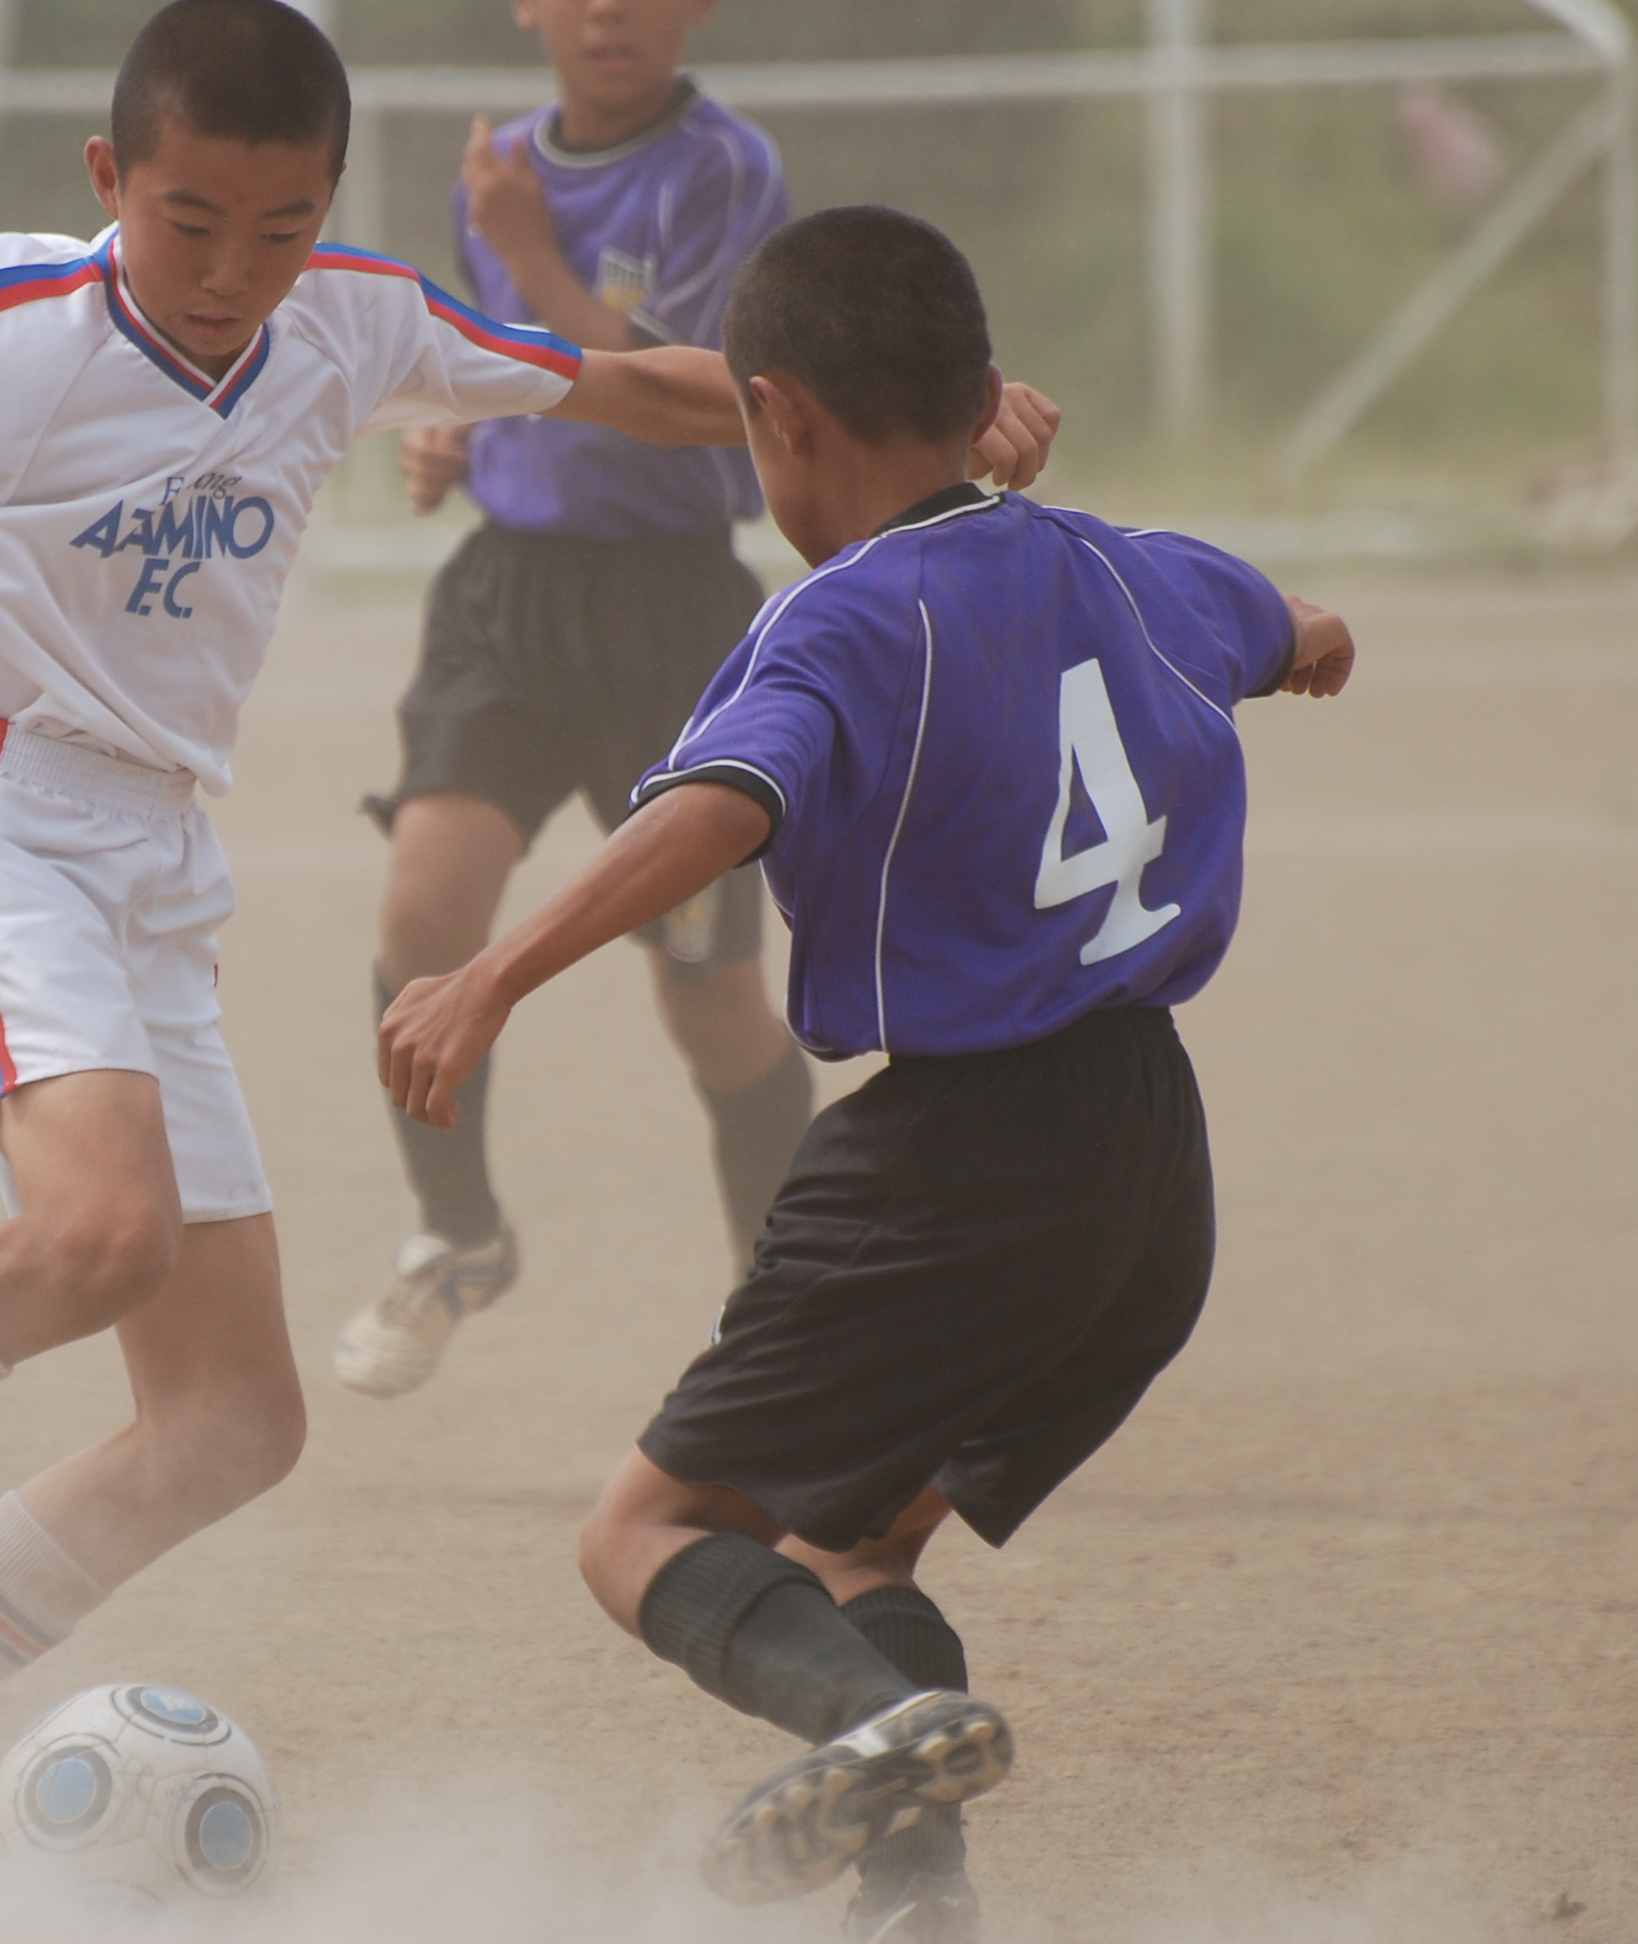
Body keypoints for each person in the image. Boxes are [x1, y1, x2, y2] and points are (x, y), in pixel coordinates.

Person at [0, 0, 1060, 1899]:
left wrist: (925, 428)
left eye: (282, 224)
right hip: (5, 819)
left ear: (329, 201)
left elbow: (630, 386)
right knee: (99, 1235)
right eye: (190, 221)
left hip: (162, 869)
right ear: (111, 179)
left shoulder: (351, 318)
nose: (234, 270)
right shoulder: (13, 340)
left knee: (233, 1423)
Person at [378, 205, 1354, 1943]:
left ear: (776, 418)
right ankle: (918, 1901)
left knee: (642, 1536)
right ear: (985, 400)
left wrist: (492, 975)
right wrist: (1295, 647)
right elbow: (1302, 628)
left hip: (955, 1165)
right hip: (1153, 1170)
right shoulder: (1135, 564)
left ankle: (866, 1725)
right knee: (849, 1550)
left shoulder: (836, 623)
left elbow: (720, 805)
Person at [339, 0, 813, 1401]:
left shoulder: (724, 170)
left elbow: (680, 398)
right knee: (425, 910)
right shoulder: (498, 174)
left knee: (711, 1001)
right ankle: (458, 1233)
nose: (612, 12)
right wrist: (453, 434)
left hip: (675, 616)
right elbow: (509, 365)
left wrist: (531, 250)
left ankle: (788, 1314)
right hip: (512, 600)